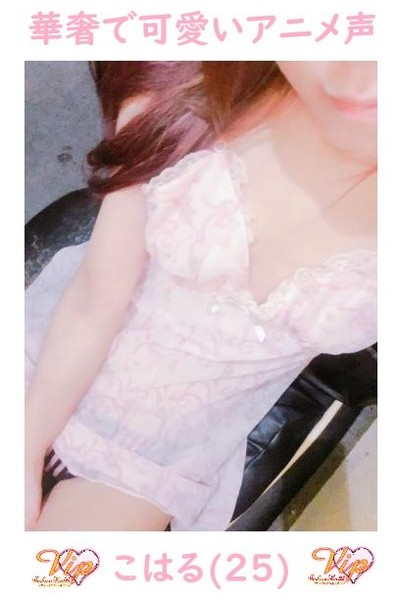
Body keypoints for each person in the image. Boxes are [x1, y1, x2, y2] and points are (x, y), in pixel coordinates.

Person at [25, 61, 377, 531]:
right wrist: (24, 447)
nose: (353, 79)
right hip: (57, 347)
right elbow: (98, 296)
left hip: (167, 454)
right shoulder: (183, 96)